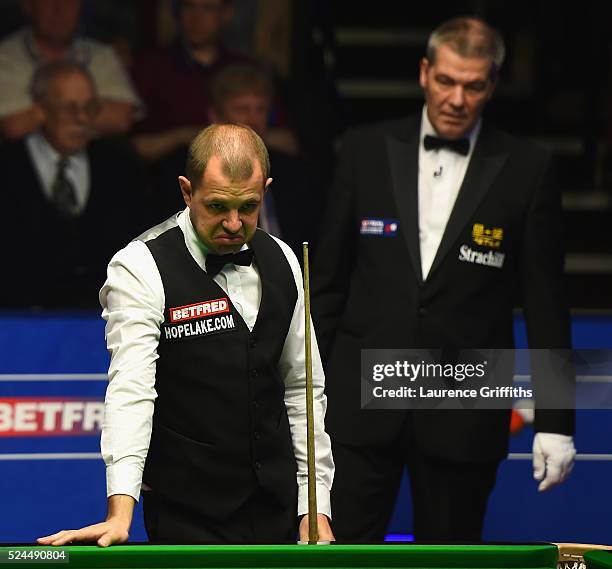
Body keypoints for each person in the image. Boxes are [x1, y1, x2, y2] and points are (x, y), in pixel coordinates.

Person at [311, 17, 576, 541]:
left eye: (473, 85)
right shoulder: (364, 149)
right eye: (447, 81)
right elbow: (327, 288)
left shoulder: (528, 169)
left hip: (465, 409)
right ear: (424, 73)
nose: (457, 98)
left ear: (492, 85)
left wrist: (557, 420)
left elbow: (548, 305)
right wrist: (304, 399)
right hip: (358, 407)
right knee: (335, 559)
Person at [37, 123, 334, 545]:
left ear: (265, 191)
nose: (234, 224)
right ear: (186, 191)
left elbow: (303, 388)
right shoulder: (140, 266)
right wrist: (119, 511)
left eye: (247, 207)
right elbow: (131, 388)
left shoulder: (285, 259)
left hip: (279, 508)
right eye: (217, 206)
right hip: (188, 515)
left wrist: (315, 506)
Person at [0, 60, 146, 309]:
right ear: (41, 109)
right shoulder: (7, 166)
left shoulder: (119, 164)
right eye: (69, 108)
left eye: (89, 108)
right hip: (19, 319)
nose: (81, 119)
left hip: (104, 319)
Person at [131, 0, 297, 164]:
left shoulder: (246, 68)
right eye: (189, 6)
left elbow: (286, 140)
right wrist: (185, 136)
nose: (197, 17)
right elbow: (135, 145)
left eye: (208, 8)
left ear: (227, 13)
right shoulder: (152, 67)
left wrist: (243, 135)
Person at [207, 63, 322, 260]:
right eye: (242, 109)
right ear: (215, 116)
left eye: (260, 109)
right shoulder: (195, 173)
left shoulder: (296, 173)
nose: (252, 119)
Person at [0, 0, 142, 140]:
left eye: (69, 2)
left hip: (95, 158)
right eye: (49, 2)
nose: (60, 9)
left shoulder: (101, 54)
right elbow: (14, 126)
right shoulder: (5, 57)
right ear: (28, 6)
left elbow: (121, 119)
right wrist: (90, 110)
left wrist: (42, 112)